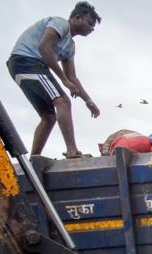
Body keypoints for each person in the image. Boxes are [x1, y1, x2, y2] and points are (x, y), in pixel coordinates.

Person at [6, 2, 101, 158]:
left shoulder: (70, 46)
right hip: (25, 61)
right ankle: (72, 151)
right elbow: (44, 47)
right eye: (89, 23)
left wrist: (88, 100)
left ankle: (35, 159)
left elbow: (72, 77)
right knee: (63, 101)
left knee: (49, 117)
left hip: (32, 67)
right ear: (77, 18)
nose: (92, 28)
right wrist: (63, 81)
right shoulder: (60, 23)